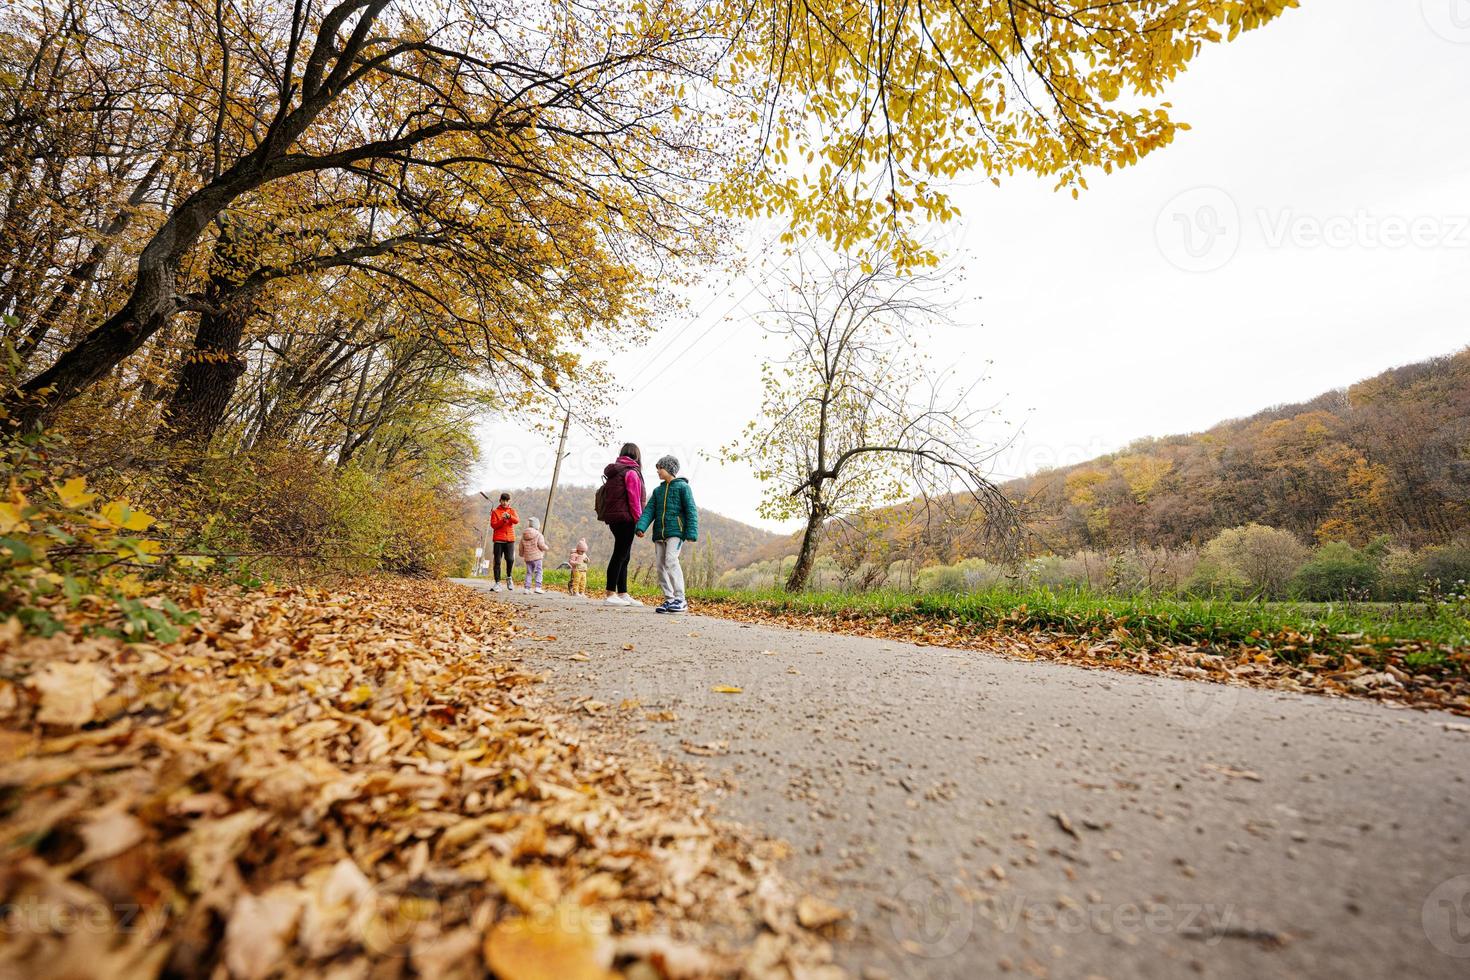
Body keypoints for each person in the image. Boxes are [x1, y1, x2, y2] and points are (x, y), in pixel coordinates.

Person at [635, 454, 698, 614]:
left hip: (676, 532)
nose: (658, 471)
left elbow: (691, 510)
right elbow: (649, 510)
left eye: (660, 468)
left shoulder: (683, 487)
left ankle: (680, 599)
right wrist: (641, 526)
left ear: (669, 469)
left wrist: (691, 531)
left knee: (671, 560)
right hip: (659, 533)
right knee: (660, 566)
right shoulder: (658, 491)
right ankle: (669, 599)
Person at [598, 442, 645, 606]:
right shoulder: (631, 472)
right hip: (626, 518)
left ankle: (623, 593)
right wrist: (640, 521)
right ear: (637, 455)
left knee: (624, 554)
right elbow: (634, 499)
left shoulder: (615, 471)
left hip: (614, 518)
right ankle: (611, 593)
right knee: (620, 554)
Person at [489, 493, 518, 591]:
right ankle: (497, 583)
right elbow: (493, 525)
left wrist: (509, 517)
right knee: (497, 561)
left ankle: (509, 577)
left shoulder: (512, 511)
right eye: (503, 500)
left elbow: (516, 521)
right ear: (500, 500)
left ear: (508, 501)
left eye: (506, 501)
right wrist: (503, 520)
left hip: (510, 539)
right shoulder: (495, 512)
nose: (505, 502)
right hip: (498, 540)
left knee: (510, 559)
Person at [519, 516, 548, 593]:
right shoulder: (539, 535)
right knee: (539, 571)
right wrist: (546, 548)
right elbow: (541, 545)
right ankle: (538, 587)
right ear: (537, 526)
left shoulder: (524, 536)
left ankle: (527, 588)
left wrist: (521, 554)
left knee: (529, 572)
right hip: (537, 557)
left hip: (528, 558)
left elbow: (521, 547)